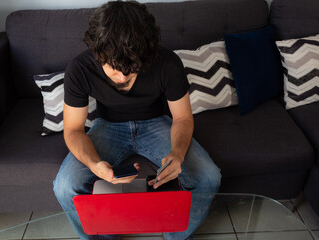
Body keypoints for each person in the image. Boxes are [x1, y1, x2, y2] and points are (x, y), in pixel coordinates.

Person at [53, 1, 221, 239]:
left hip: (156, 122)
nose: (122, 76)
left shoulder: (168, 63)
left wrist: (178, 154)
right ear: (98, 53)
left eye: (131, 69)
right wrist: (94, 164)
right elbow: (72, 129)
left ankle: (176, 236)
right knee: (65, 186)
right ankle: (104, 236)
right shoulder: (79, 69)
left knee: (209, 177)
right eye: (113, 68)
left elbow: (182, 117)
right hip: (108, 126)